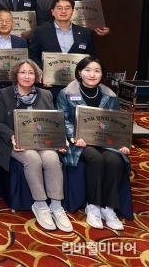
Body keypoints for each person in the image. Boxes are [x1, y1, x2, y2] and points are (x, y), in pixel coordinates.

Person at [0, 59, 72, 232]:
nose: (27, 76)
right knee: (32, 158)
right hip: (15, 143)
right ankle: (40, 205)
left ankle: (56, 206)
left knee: (52, 158)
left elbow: (53, 121)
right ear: (15, 75)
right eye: (23, 72)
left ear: (37, 76)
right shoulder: (3, 94)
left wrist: (61, 138)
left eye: (31, 73)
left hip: (42, 142)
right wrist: (12, 136)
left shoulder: (46, 94)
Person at [57, 56, 129, 230]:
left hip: (105, 142)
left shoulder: (110, 95)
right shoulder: (66, 93)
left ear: (102, 74)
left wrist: (121, 142)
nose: (92, 74)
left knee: (115, 160)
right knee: (96, 159)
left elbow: (116, 123)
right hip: (78, 142)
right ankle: (93, 206)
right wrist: (73, 136)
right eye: (87, 70)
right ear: (79, 72)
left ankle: (108, 208)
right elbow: (62, 119)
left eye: (97, 71)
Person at [28, 0, 95, 78]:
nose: (63, 11)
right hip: (49, 82)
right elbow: (33, 56)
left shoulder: (85, 33)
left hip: (77, 81)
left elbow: (91, 58)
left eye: (67, 8)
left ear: (72, 11)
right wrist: (43, 73)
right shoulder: (41, 31)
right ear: (52, 11)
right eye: (59, 8)